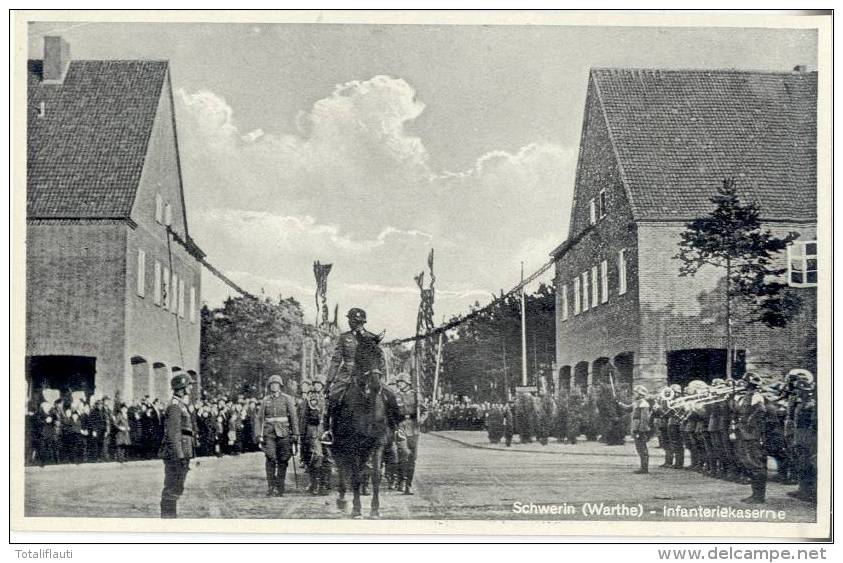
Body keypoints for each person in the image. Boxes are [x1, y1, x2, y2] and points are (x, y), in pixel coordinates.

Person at [158, 373, 196, 518]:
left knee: (177, 485)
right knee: (172, 485)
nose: (191, 388)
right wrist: (180, 455)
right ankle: (168, 517)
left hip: (182, 451)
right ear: (182, 387)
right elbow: (174, 434)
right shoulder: (175, 406)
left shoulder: (181, 405)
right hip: (175, 453)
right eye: (189, 385)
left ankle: (170, 516)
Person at [258, 374, 299, 497]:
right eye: (272, 384)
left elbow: (293, 417)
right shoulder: (265, 400)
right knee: (270, 458)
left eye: (276, 384)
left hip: (284, 433)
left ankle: (280, 487)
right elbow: (260, 418)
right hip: (269, 433)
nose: (274, 386)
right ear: (269, 386)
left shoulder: (287, 399)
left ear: (280, 386)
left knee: (283, 459)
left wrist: (296, 433)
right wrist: (258, 435)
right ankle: (271, 486)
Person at [734, 372, 768, 504]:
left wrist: (749, 425)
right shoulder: (745, 396)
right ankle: (755, 494)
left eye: (744, 382)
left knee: (756, 464)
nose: (742, 384)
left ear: (749, 384)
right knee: (748, 462)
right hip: (744, 434)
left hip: (751, 435)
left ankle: (759, 496)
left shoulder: (756, 396)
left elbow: (760, 411)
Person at [394, 374, 427, 495]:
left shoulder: (416, 396)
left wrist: (421, 419)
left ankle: (409, 484)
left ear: (407, 383)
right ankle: (401, 481)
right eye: (398, 382)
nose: (398, 384)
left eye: (400, 382)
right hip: (400, 427)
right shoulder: (395, 396)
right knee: (402, 454)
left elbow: (425, 411)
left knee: (412, 457)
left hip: (413, 428)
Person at [788, 370, 817, 502]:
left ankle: (809, 492)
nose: (798, 393)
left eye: (800, 390)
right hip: (799, 435)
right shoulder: (800, 403)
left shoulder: (811, 405)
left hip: (807, 437)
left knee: (807, 464)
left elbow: (813, 423)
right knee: (800, 462)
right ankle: (802, 489)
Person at [618, 385, 652, 474]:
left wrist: (641, 431)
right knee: (639, 448)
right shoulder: (637, 402)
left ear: (640, 394)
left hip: (640, 430)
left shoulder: (643, 403)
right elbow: (628, 408)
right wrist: (619, 403)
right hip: (636, 428)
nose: (634, 394)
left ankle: (644, 468)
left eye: (636, 392)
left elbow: (644, 419)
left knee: (642, 448)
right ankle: (643, 467)